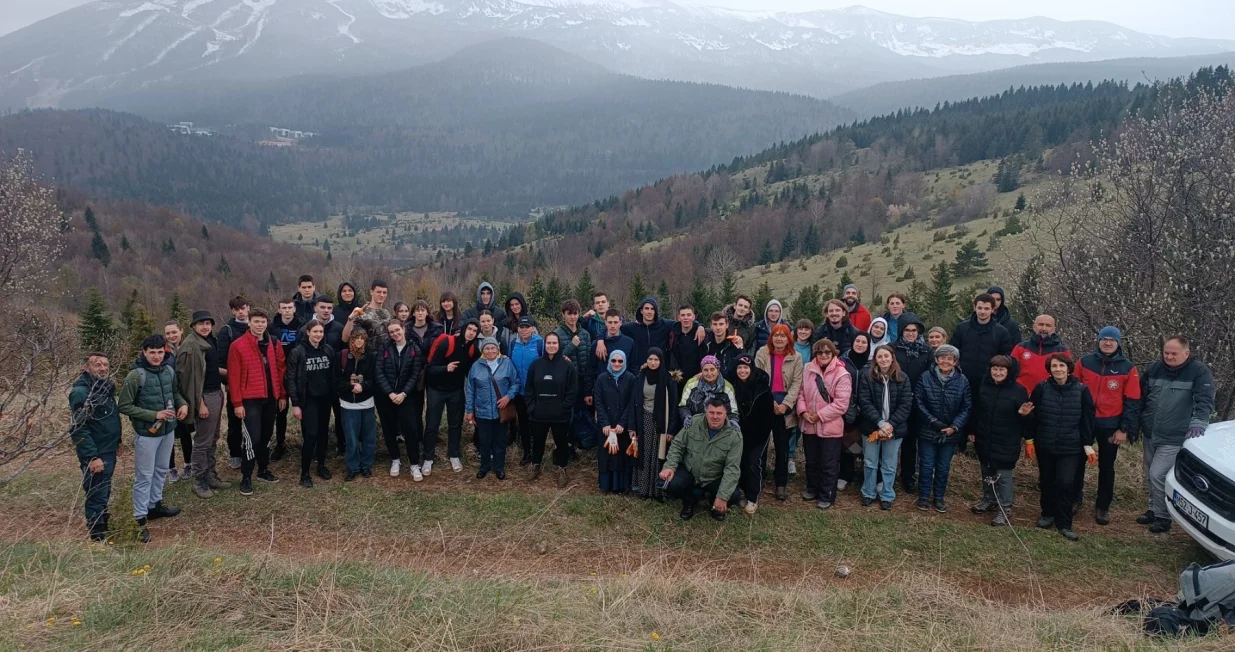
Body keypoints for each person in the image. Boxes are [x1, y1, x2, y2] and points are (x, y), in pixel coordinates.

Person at [1137, 336, 1215, 534]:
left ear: (1186, 353)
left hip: (1175, 435)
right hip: (1151, 432)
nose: (1169, 357)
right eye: (1166, 353)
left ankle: (1164, 517)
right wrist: (1134, 422)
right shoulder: (1155, 369)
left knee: (1158, 474)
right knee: (1149, 474)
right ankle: (1153, 509)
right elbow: (1141, 396)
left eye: (1174, 353)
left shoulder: (1198, 372)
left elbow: (1204, 400)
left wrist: (1198, 423)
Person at [118, 335, 187, 543]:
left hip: (167, 430)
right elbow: (124, 406)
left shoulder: (168, 370)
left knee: (161, 470)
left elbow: (175, 393)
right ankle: (139, 519)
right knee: (144, 475)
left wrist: (182, 404)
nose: (156, 356)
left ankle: (154, 506)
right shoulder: (135, 376)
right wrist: (153, 415)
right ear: (144, 352)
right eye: (152, 352)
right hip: (147, 434)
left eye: (160, 352)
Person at [1025, 353, 1096, 541]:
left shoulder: (1081, 390)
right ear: (1049, 369)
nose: (1058, 369)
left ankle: (1064, 523)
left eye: (1061, 366)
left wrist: (1087, 444)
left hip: (1071, 447)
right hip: (1045, 444)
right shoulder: (1041, 388)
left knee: (1065, 484)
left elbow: (1088, 420)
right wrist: (1030, 440)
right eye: (1054, 366)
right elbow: (1033, 415)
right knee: (1046, 481)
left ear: (1068, 368)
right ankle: (1047, 514)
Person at [1074, 326, 1141, 525]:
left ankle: (1102, 506)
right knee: (1077, 462)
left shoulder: (1127, 367)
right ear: (1098, 340)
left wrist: (1124, 429)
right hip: (1084, 422)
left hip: (1111, 425)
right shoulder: (1084, 362)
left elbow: (1133, 400)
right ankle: (1074, 499)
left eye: (1112, 339)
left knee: (1107, 467)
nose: (1108, 342)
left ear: (1118, 343)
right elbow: (1072, 390)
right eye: (1104, 339)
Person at [227, 309, 288, 495]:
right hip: (249, 400)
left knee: (266, 436)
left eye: (263, 321)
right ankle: (246, 476)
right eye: (256, 321)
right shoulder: (238, 346)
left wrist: (282, 395)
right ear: (249, 323)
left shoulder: (273, 343)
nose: (260, 325)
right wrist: (237, 403)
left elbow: (280, 370)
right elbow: (234, 376)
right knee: (252, 439)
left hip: (271, 398)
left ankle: (263, 470)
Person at [659, 398, 744, 521]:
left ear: (726, 414)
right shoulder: (693, 422)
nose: (715, 417)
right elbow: (677, 444)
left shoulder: (735, 436)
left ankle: (714, 502)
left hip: (713, 477)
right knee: (668, 483)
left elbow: (732, 468)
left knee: (734, 496)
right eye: (711, 412)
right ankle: (689, 500)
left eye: (719, 413)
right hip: (691, 471)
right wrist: (670, 466)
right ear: (706, 412)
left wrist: (722, 497)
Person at [969, 355, 1030, 526]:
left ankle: (1005, 508)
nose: (997, 372)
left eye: (1001, 369)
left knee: (1003, 475)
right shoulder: (984, 387)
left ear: (1009, 372)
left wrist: (1025, 414)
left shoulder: (1018, 390)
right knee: (986, 470)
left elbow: (1026, 419)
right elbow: (977, 410)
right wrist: (972, 430)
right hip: (984, 437)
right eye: (994, 369)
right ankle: (989, 499)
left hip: (1007, 439)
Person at [70, 352, 123, 541]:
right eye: (97, 364)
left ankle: (103, 521)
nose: (102, 368)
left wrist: (117, 441)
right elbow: (78, 428)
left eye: (105, 365)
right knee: (95, 490)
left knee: (104, 488)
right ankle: (97, 534)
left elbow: (109, 418)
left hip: (108, 447)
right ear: (87, 367)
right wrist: (92, 457)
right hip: (96, 451)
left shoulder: (104, 388)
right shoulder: (81, 393)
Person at [177, 311, 229, 500]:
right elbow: (188, 379)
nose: (205, 326)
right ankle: (199, 480)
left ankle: (210, 474)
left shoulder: (208, 341)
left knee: (213, 438)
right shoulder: (191, 346)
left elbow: (211, 369)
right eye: (201, 323)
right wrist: (200, 404)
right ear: (193, 326)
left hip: (216, 392)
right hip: (204, 397)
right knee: (202, 441)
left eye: (208, 323)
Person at [914, 344, 971, 514]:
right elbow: (918, 401)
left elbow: (966, 407)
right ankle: (923, 496)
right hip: (928, 429)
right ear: (936, 359)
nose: (945, 361)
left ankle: (939, 497)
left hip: (950, 433)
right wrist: (932, 421)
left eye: (949, 358)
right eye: (942, 357)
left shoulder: (962, 381)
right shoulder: (925, 377)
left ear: (955, 361)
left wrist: (954, 426)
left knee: (943, 466)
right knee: (926, 464)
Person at [856, 344, 913, 509]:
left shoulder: (903, 377)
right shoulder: (868, 378)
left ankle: (887, 494)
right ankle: (868, 492)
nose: (883, 359)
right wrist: (880, 423)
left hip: (894, 429)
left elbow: (905, 404)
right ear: (875, 359)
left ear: (892, 357)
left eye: (886, 356)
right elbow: (864, 402)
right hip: (872, 427)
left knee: (889, 464)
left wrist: (890, 425)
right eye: (880, 356)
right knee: (870, 462)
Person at [797, 339, 851, 510]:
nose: (824, 355)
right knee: (811, 460)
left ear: (833, 353)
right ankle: (812, 488)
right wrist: (803, 412)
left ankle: (827, 494)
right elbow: (801, 393)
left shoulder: (842, 374)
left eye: (828, 352)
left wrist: (819, 415)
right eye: (820, 352)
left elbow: (841, 404)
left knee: (829, 463)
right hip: (809, 423)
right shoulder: (808, 369)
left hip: (830, 426)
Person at [424, 318, 481, 473]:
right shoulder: (446, 343)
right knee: (432, 424)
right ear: (463, 329)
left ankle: (454, 455)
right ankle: (428, 458)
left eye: (475, 331)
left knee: (455, 424)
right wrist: (445, 368)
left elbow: (476, 371)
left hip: (456, 390)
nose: (471, 333)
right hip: (436, 389)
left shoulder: (473, 350)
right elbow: (431, 368)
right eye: (469, 329)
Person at [284, 319, 336, 488]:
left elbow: (333, 375)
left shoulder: (328, 350)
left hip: (325, 399)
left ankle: (321, 465)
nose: (318, 335)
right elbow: (290, 379)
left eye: (321, 332)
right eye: (315, 332)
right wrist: (296, 404)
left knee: (323, 433)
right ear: (308, 332)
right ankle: (305, 473)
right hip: (308, 400)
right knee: (311, 434)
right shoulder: (298, 352)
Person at [755, 324, 803, 502]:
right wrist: (770, 402)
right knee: (761, 446)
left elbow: (797, 383)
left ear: (789, 338)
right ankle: (758, 479)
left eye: (783, 336)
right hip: (765, 405)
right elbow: (758, 379)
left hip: (785, 411)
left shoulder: (796, 357)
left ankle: (780, 483)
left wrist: (785, 404)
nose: (779, 339)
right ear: (771, 337)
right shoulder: (762, 353)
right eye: (776, 335)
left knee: (783, 448)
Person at [525, 332, 579, 483]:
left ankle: (562, 469)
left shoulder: (567, 365)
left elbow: (572, 390)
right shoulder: (535, 365)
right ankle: (535, 465)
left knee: (561, 443)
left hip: (560, 415)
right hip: (538, 414)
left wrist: (564, 407)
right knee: (537, 441)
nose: (551, 346)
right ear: (544, 344)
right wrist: (531, 407)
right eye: (548, 343)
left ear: (559, 345)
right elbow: (528, 388)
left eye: (554, 343)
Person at [377, 320, 425, 480]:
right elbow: (379, 371)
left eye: (397, 330)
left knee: (410, 430)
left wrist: (403, 393)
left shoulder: (414, 349)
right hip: (387, 397)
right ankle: (395, 460)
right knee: (389, 429)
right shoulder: (384, 347)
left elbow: (415, 374)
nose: (395, 334)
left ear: (403, 329)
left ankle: (414, 464)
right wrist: (390, 393)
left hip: (407, 397)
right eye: (391, 332)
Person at [466, 337, 519, 479]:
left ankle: (499, 467)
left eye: (493, 348)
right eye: (487, 348)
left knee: (500, 441)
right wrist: (469, 411)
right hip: (481, 411)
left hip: (500, 412)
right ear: (483, 350)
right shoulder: (476, 366)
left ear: (498, 349)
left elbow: (515, 383)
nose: (490, 351)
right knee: (484, 441)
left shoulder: (507, 363)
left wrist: (508, 397)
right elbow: (470, 389)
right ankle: (484, 467)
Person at [729, 355, 774, 514]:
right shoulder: (732, 385)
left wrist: (760, 434)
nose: (742, 371)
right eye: (739, 368)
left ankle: (753, 498)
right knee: (740, 462)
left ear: (751, 369)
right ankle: (742, 492)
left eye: (745, 368)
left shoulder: (763, 388)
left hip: (759, 434)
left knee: (753, 462)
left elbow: (768, 416)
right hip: (739, 433)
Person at [633, 347, 679, 498]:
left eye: (656, 360)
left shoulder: (668, 379)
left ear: (661, 361)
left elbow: (673, 406)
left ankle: (657, 490)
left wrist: (671, 429)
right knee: (645, 454)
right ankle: (643, 488)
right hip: (644, 420)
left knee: (658, 456)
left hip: (661, 423)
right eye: (650, 359)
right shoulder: (641, 376)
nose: (653, 363)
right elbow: (635, 401)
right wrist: (632, 426)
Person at [304, 296, 347, 457]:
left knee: (339, 415)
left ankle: (341, 446)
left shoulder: (338, 327)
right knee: (315, 421)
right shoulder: (306, 328)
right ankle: (314, 449)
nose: (326, 311)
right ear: (316, 308)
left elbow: (344, 350)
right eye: (323, 307)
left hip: (334, 380)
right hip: (314, 384)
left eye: (329, 308)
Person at [403, 300, 442, 472]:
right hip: (414, 372)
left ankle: (432, 438)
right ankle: (417, 438)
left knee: (432, 407)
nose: (420, 313)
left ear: (427, 312)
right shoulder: (406, 329)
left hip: (432, 370)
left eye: (423, 310)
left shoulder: (436, 328)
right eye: (417, 310)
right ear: (413, 313)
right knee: (416, 406)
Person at [894, 317, 931, 493]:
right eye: (907, 330)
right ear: (901, 331)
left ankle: (907, 476)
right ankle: (888, 474)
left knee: (910, 443)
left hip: (917, 403)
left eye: (914, 330)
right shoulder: (893, 348)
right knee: (891, 441)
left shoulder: (926, 351)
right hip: (895, 401)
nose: (910, 333)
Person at [951, 293, 1015, 395]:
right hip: (963, 379)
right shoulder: (961, 328)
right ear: (974, 307)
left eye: (986, 308)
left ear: (992, 309)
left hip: (989, 382)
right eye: (979, 308)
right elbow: (953, 352)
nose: (982, 311)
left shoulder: (1001, 332)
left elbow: (1006, 357)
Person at [594, 349, 638, 493]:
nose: (617, 364)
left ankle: (620, 486)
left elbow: (631, 403)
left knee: (621, 456)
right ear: (609, 361)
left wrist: (622, 424)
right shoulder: (601, 378)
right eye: (613, 360)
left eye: (620, 361)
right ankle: (605, 485)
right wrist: (605, 423)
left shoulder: (631, 378)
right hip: (606, 425)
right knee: (606, 455)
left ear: (624, 362)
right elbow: (598, 402)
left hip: (622, 425)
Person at [214, 295, 250, 470]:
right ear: (232, 311)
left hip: (254, 384)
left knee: (254, 420)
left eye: (243, 308)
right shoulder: (226, 331)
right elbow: (221, 362)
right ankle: (235, 453)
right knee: (235, 422)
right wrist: (228, 382)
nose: (241, 312)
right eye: (237, 309)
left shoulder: (257, 327)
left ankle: (252, 451)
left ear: (248, 308)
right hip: (234, 384)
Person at [336, 330, 377, 481]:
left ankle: (366, 465)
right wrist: (349, 386)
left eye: (362, 338)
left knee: (369, 437)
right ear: (351, 340)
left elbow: (375, 379)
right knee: (351, 438)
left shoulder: (371, 357)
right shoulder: (342, 356)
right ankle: (353, 467)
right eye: (356, 338)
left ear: (366, 341)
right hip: (348, 404)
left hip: (367, 403)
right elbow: (336, 380)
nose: (359, 341)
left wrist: (364, 386)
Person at [269, 299, 304, 462]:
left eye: (290, 308)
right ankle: (280, 443)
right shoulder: (271, 327)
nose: (287, 311)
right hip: (278, 371)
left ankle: (308, 442)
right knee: (280, 411)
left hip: (298, 372)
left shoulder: (301, 326)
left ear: (294, 309)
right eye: (284, 308)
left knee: (303, 409)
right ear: (279, 309)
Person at [618, 296, 694, 370]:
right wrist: (604, 340)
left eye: (652, 309)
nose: (649, 312)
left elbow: (684, 322)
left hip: (660, 373)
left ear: (655, 311)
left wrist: (700, 326)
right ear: (641, 311)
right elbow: (613, 328)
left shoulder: (665, 325)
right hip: (639, 372)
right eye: (646, 308)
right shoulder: (631, 328)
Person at [837, 331, 872, 490]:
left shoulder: (872, 363)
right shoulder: (843, 361)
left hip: (867, 408)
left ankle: (867, 476)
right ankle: (845, 475)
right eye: (857, 341)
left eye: (864, 342)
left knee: (867, 443)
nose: (860, 344)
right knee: (848, 443)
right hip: (847, 407)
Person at [509, 316, 546, 466]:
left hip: (535, 392)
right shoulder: (513, 344)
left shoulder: (539, 343)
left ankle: (538, 454)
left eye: (527, 327)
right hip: (519, 392)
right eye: (521, 327)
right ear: (518, 328)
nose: (524, 330)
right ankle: (527, 452)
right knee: (523, 423)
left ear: (532, 328)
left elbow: (547, 363)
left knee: (536, 423)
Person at [159, 321, 192, 483]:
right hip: (168, 398)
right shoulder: (163, 352)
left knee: (186, 432)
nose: (171, 336)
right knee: (169, 433)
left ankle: (188, 463)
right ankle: (171, 467)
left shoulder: (188, 347)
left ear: (181, 331)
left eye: (174, 332)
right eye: (168, 333)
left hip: (186, 396)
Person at [1011, 314, 1069, 394]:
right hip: (1021, 395)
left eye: (1048, 325)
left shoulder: (1062, 351)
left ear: (1054, 329)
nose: (1044, 328)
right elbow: (1011, 371)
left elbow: (1067, 376)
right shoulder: (1020, 347)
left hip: (1050, 396)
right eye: (1041, 324)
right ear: (1034, 326)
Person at [680, 355, 739, 430]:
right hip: (695, 426)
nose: (709, 373)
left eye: (712, 369)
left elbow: (733, 411)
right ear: (701, 371)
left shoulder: (727, 387)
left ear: (717, 370)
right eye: (705, 370)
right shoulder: (692, 384)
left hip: (719, 428)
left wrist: (733, 421)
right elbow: (683, 405)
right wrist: (686, 417)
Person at [342, 280, 392, 349]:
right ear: (371, 292)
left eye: (384, 292)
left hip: (387, 355)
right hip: (369, 356)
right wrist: (351, 318)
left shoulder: (387, 313)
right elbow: (345, 338)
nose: (382, 295)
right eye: (378, 292)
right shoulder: (362, 313)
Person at [668, 304, 706, 389]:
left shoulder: (701, 334)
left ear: (694, 317)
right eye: (683, 315)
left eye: (689, 315)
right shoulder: (672, 334)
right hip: (677, 379)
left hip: (697, 380)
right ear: (678, 317)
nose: (686, 318)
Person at [701, 311, 743, 376]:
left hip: (728, 383)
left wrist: (740, 348)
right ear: (711, 325)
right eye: (715, 324)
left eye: (721, 324)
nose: (718, 328)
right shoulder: (704, 343)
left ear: (727, 325)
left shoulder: (734, 344)